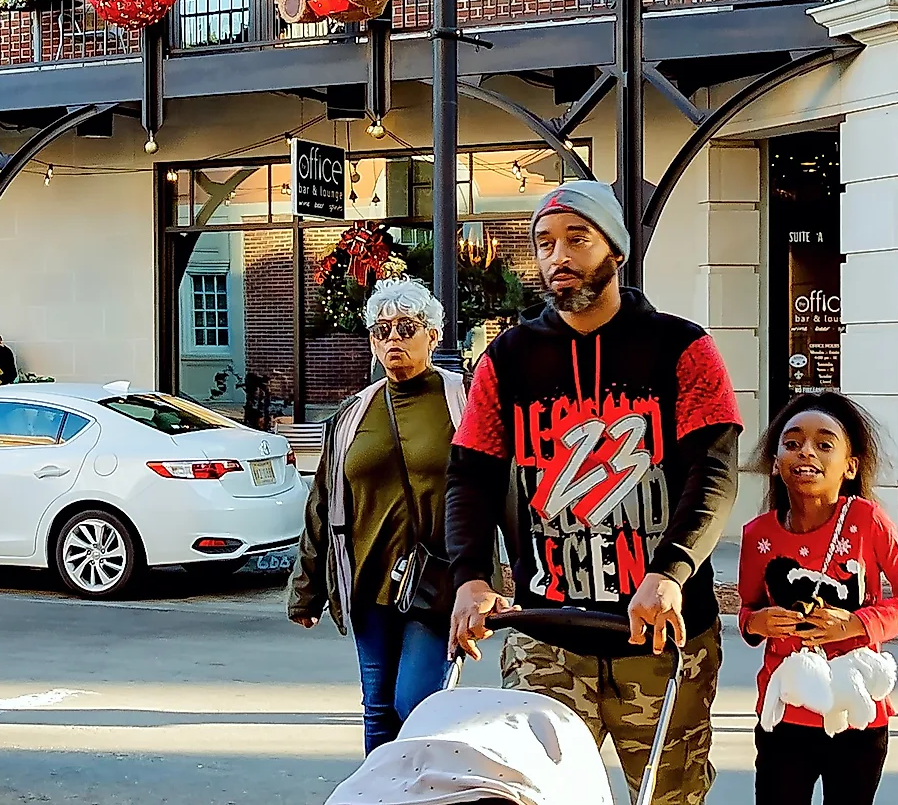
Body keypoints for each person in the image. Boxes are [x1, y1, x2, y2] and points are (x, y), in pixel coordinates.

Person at [446, 178, 743, 805]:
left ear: (616, 250)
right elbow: (470, 476)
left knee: (669, 798)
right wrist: (471, 577)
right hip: (544, 632)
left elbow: (713, 474)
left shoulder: (683, 347)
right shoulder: (507, 359)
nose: (558, 256)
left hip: (661, 636)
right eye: (544, 243)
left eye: (576, 239)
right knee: (532, 797)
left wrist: (671, 571)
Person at [289, 277, 467, 752]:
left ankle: (426, 794)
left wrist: (500, 579)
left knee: (416, 702)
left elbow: (501, 493)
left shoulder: (462, 401)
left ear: (433, 334)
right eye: (381, 330)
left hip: (438, 583)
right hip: (367, 582)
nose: (393, 340)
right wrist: (306, 591)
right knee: (378, 708)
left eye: (406, 328)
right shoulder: (353, 413)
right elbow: (322, 504)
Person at [739, 392, 898, 805]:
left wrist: (857, 625)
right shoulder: (758, 534)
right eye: (792, 443)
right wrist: (758, 623)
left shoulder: (867, 520)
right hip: (784, 712)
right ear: (775, 463)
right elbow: (748, 609)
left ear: (850, 465)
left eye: (824, 444)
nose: (806, 452)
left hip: (856, 714)